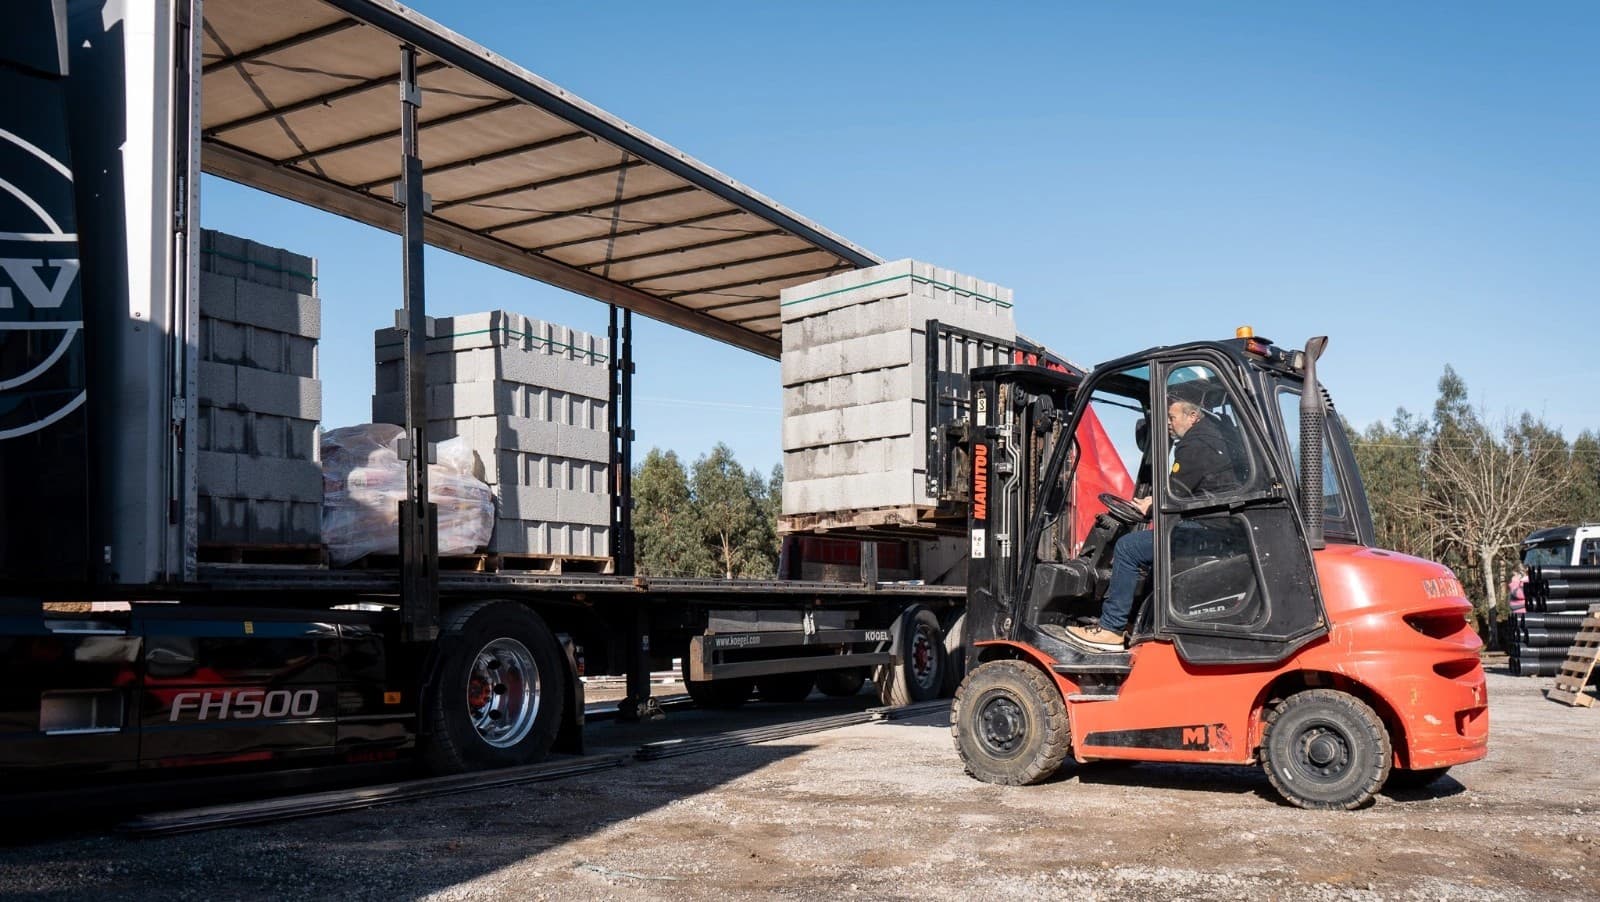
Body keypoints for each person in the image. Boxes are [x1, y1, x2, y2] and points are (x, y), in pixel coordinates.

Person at [1067, 398, 1241, 650]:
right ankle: (1138, 620)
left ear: (1192, 416)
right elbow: (1187, 490)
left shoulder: (1194, 444)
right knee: (1151, 550)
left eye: (1172, 417)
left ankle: (1111, 628)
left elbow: (1176, 492)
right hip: (1221, 527)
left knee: (1128, 548)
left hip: (1208, 530)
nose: (1168, 424)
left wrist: (1151, 504)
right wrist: (1154, 499)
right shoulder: (1217, 437)